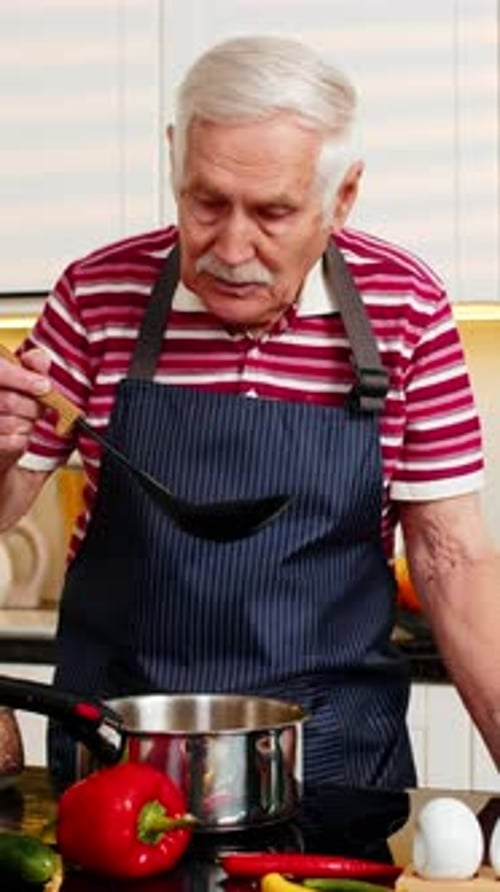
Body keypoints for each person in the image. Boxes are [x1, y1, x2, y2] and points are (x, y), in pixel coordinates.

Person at [0, 35, 499, 791]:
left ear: (342, 197)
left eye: (273, 213)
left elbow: (452, 561)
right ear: (174, 161)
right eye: (206, 203)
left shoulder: (406, 307)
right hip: (124, 758)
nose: (232, 248)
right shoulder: (97, 296)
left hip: (333, 758)